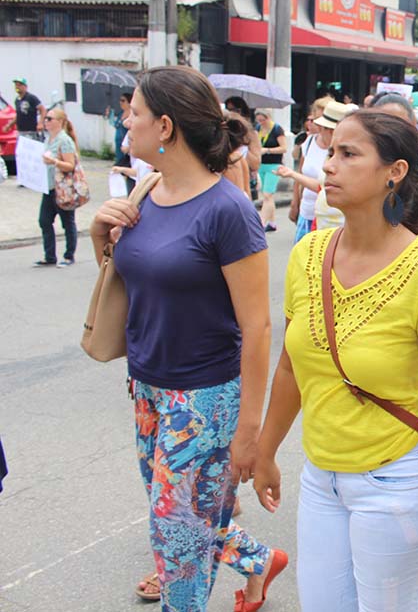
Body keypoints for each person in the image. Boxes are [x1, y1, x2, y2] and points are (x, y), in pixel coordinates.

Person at [252, 109, 418, 611]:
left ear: (394, 172)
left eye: (348, 153)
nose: (329, 165)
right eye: (330, 151)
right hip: (321, 479)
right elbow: (292, 366)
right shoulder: (308, 254)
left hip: (399, 484)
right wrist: (266, 450)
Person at [89, 66, 286, 612]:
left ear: (166, 127)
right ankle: (257, 561)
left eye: (135, 112)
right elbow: (133, 281)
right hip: (147, 386)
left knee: (176, 540)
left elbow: (257, 327)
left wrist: (249, 431)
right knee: (180, 518)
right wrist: (100, 235)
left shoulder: (228, 211)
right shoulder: (148, 190)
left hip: (204, 400)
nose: (126, 121)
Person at [279, 100, 349, 241]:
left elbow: (321, 186)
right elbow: (302, 172)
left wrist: (292, 174)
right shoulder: (310, 141)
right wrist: (295, 203)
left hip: (334, 223)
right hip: (309, 213)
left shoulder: (347, 156)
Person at [36, 108, 79, 267]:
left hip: (62, 188)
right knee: (44, 220)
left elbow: (70, 165)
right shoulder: (48, 139)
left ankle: (69, 255)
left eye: (50, 119)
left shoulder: (64, 140)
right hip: (49, 187)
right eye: (46, 118)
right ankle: (49, 255)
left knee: (67, 222)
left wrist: (54, 162)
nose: (46, 121)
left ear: (60, 122)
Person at [255, 110, 286, 232]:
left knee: (267, 194)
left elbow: (283, 148)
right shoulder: (258, 128)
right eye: (259, 121)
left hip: (274, 164)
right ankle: (272, 223)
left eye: (263, 120)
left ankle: (261, 223)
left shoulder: (277, 129)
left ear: (268, 118)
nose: (261, 123)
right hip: (262, 164)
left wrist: (267, 150)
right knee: (267, 195)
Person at [226, 97, 262, 197]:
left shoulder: (251, 134)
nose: (231, 114)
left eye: (235, 110)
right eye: (228, 110)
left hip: (244, 183)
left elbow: (255, 164)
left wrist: (242, 142)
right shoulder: (222, 131)